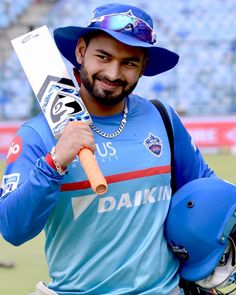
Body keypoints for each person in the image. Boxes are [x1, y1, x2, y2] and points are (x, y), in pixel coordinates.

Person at [0, 3, 216, 295]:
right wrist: (54, 163)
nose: (113, 73)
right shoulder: (38, 134)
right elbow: (13, 229)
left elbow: (205, 191)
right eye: (103, 56)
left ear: (143, 67)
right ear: (80, 52)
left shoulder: (163, 119)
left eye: (129, 62)